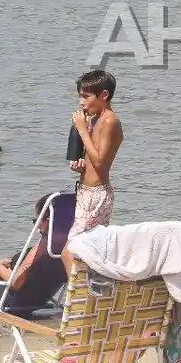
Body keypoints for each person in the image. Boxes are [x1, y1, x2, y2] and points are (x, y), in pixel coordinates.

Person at [61, 69, 124, 279]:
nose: (82, 102)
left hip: (96, 194)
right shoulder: (96, 120)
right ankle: (93, 294)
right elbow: (92, 161)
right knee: (88, 251)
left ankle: (79, 298)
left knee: (69, 251)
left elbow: (101, 163)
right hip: (87, 191)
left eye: (86, 96)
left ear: (103, 95)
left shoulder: (109, 121)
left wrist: (81, 130)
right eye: (80, 96)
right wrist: (81, 166)